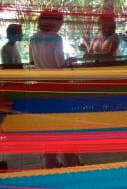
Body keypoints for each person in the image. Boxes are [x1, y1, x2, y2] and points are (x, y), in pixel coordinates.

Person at [29, 10, 80, 168]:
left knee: (47, 128)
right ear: (55, 23)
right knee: (65, 128)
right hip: (58, 87)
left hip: (41, 88)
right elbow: (59, 64)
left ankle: (50, 166)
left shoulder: (33, 38)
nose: (61, 25)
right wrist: (70, 60)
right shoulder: (56, 39)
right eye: (60, 22)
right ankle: (71, 165)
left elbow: (31, 60)